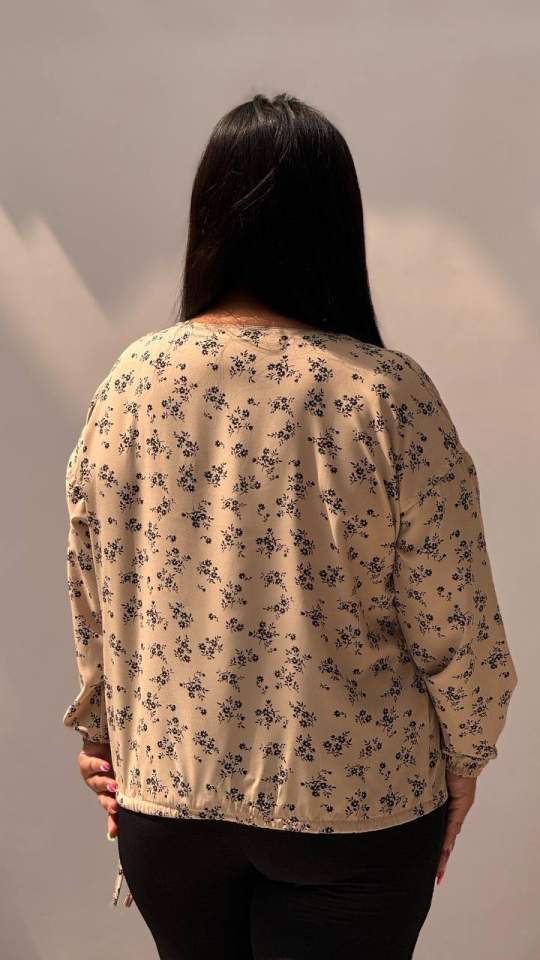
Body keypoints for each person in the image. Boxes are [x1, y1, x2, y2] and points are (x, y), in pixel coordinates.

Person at [62, 92, 518, 959]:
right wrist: (466, 762)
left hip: (170, 804)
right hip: (357, 808)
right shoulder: (387, 396)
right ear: (335, 228)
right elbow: (457, 618)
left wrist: (104, 734)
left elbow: (96, 588)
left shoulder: (129, 385)